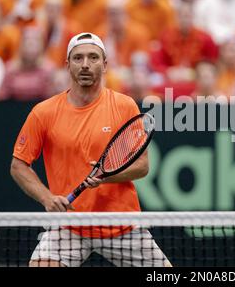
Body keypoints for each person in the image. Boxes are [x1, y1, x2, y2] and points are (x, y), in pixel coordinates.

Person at [10, 32, 170, 267]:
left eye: (93, 58)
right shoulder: (43, 113)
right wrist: (47, 198)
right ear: (67, 65)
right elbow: (18, 165)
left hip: (121, 226)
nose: (85, 64)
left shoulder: (124, 106)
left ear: (104, 65)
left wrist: (107, 176)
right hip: (69, 226)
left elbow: (142, 166)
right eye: (78, 58)